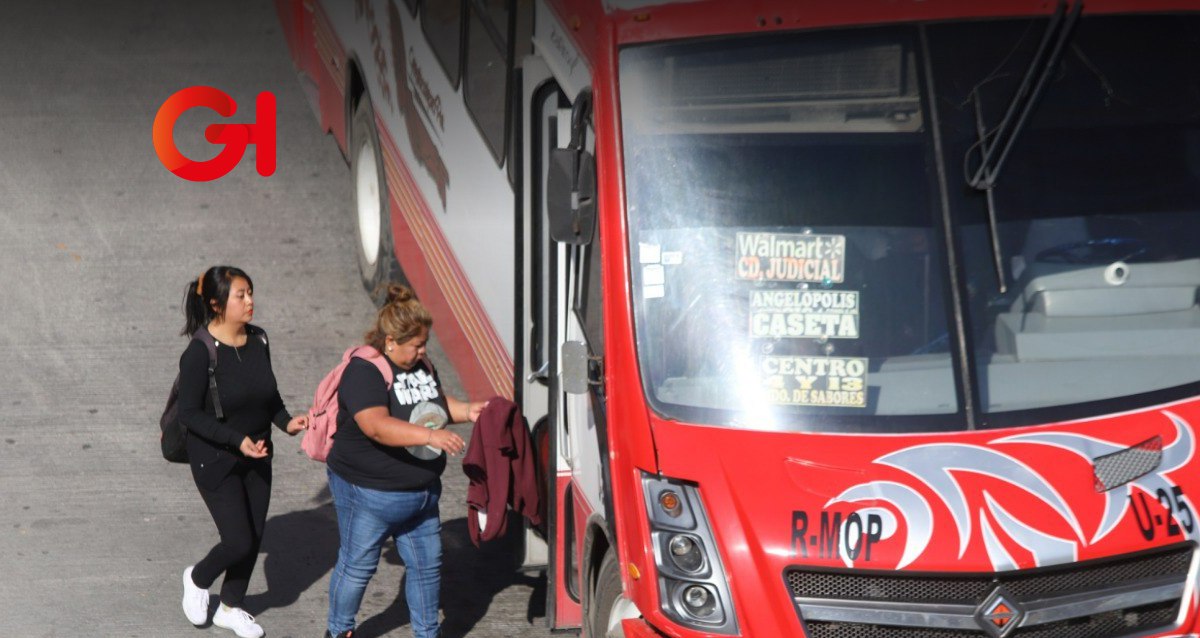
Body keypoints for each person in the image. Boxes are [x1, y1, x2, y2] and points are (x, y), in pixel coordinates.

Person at [325, 283, 486, 638]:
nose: (423, 350)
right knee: (358, 566)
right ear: (391, 341)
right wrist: (431, 437)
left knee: (427, 566)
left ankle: (426, 634)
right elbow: (376, 426)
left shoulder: (421, 364)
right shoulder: (364, 371)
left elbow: (433, 402)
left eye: (424, 343)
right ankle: (339, 631)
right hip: (369, 492)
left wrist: (467, 411)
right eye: (416, 344)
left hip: (421, 492)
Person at [176, 266, 308, 638]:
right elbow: (188, 414)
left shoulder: (260, 340)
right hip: (215, 459)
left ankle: (231, 607)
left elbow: (269, 396)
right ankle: (198, 579)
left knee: (253, 536)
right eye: (241, 295)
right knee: (238, 540)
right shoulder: (200, 353)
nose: (251, 301)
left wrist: (287, 422)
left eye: (251, 292)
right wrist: (236, 441)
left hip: (258, 454)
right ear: (217, 304)